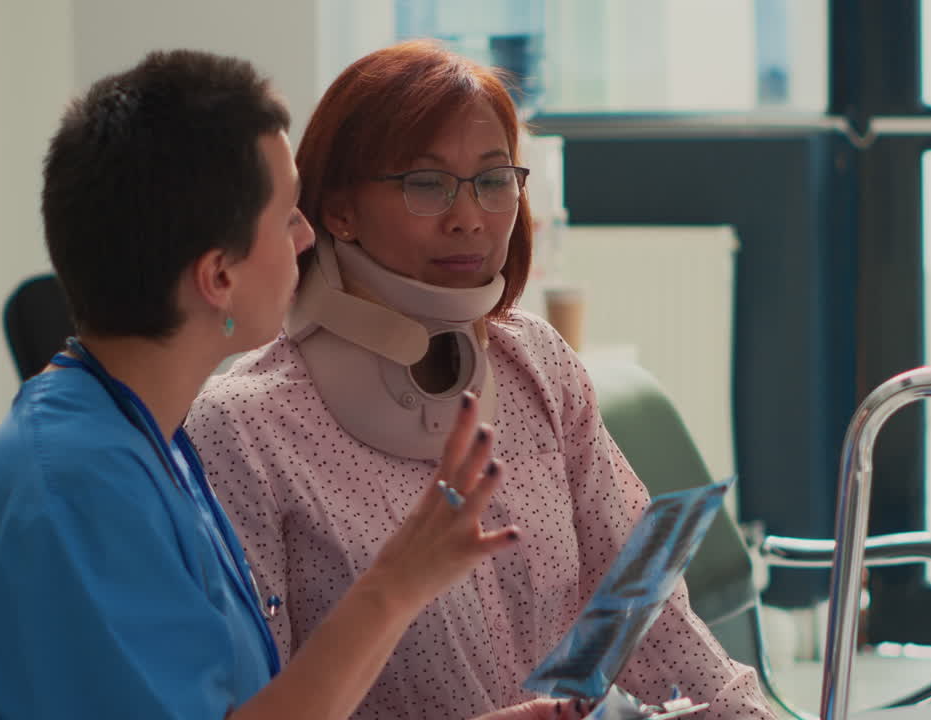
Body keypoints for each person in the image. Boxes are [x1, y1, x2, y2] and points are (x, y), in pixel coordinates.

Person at [0, 49, 582, 720]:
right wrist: (397, 584)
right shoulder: (77, 491)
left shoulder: (140, 443)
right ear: (219, 277)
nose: (309, 236)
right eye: (287, 217)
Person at [186, 40, 775, 720]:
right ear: (339, 209)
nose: (469, 216)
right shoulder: (242, 428)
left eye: (494, 180)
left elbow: (647, 612)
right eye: (425, 183)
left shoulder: (538, 366)